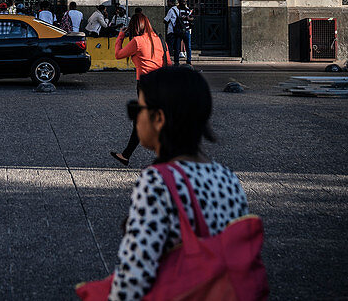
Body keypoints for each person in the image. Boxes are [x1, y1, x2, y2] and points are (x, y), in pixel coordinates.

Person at [106, 67, 258, 301]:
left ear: (158, 119)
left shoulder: (157, 182)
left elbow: (132, 280)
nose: (134, 118)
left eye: (137, 109)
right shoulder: (227, 177)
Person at [110, 11, 171, 167]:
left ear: (134, 27)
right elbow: (169, 63)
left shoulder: (137, 41)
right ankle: (126, 155)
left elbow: (118, 55)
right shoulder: (160, 40)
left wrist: (120, 37)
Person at [173, 0, 194, 66]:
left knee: (179, 46)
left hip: (182, 30)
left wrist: (188, 18)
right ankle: (188, 60)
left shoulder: (178, 10)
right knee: (187, 46)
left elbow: (191, 18)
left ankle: (177, 61)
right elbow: (192, 18)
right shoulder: (181, 10)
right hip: (184, 30)